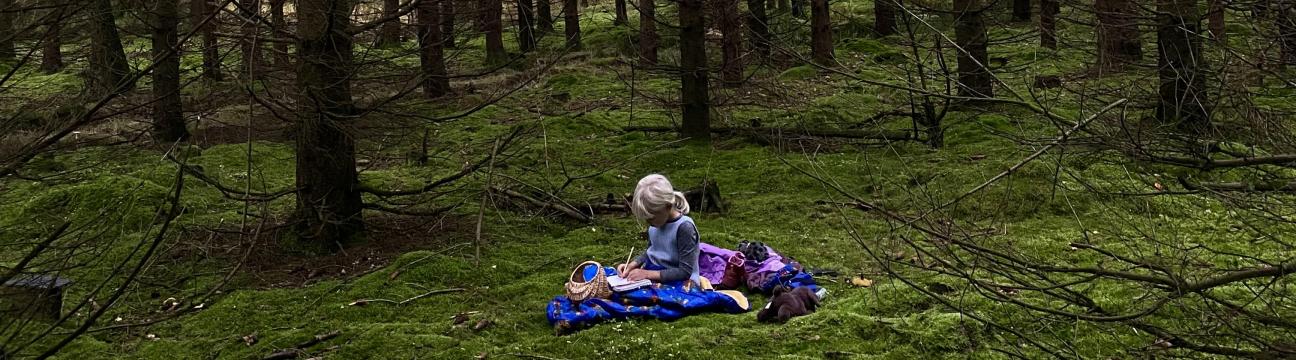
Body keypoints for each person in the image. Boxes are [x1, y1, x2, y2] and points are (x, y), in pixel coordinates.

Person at [616, 174, 701, 284]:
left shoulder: (684, 228)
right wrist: (633, 264)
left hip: (681, 283)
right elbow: (652, 251)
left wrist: (646, 274)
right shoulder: (656, 223)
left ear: (668, 206)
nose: (648, 222)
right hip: (655, 275)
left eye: (651, 218)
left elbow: (685, 272)